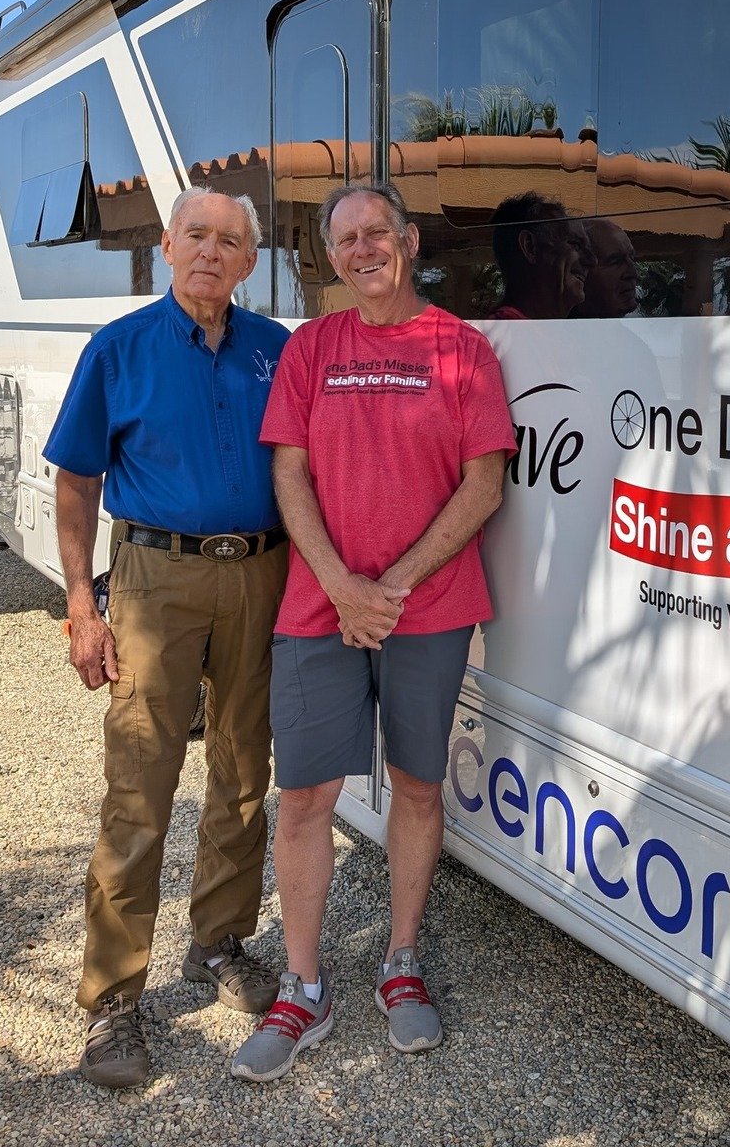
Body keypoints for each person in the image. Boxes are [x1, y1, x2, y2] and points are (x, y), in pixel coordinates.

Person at [232, 181, 514, 1079]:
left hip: (425, 608)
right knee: (309, 797)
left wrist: (386, 588)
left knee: (418, 789)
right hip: (319, 609)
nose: (363, 250)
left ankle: (400, 961)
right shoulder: (312, 347)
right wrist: (342, 588)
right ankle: (303, 986)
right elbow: (289, 475)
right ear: (332, 254)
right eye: (345, 238)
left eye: (377, 233)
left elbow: (484, 486)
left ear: (410, 239)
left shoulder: (462, 350)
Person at [45, 187, 291, 1089]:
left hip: (263, 574)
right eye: (198, 236)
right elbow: (75, 484)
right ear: (167, 243)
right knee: (141, 780)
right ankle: (113, 1000)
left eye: (231, 241)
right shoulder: (120, 350)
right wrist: (82, 604)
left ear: (249, 259)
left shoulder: (277, 350)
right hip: (156, 575)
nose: (212, 253)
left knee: (241, 768)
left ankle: (220, 942)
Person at [487, 192, 593, 319]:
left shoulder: (543, 331)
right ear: (530, 246)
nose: (592, 260)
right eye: (575, 244)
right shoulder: (506, 330)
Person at [570, 218, 639, 318]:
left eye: (632, 258)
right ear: (579, 274)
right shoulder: (551, 330)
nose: (633, 273)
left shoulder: (644, 331)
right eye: (615, 261)